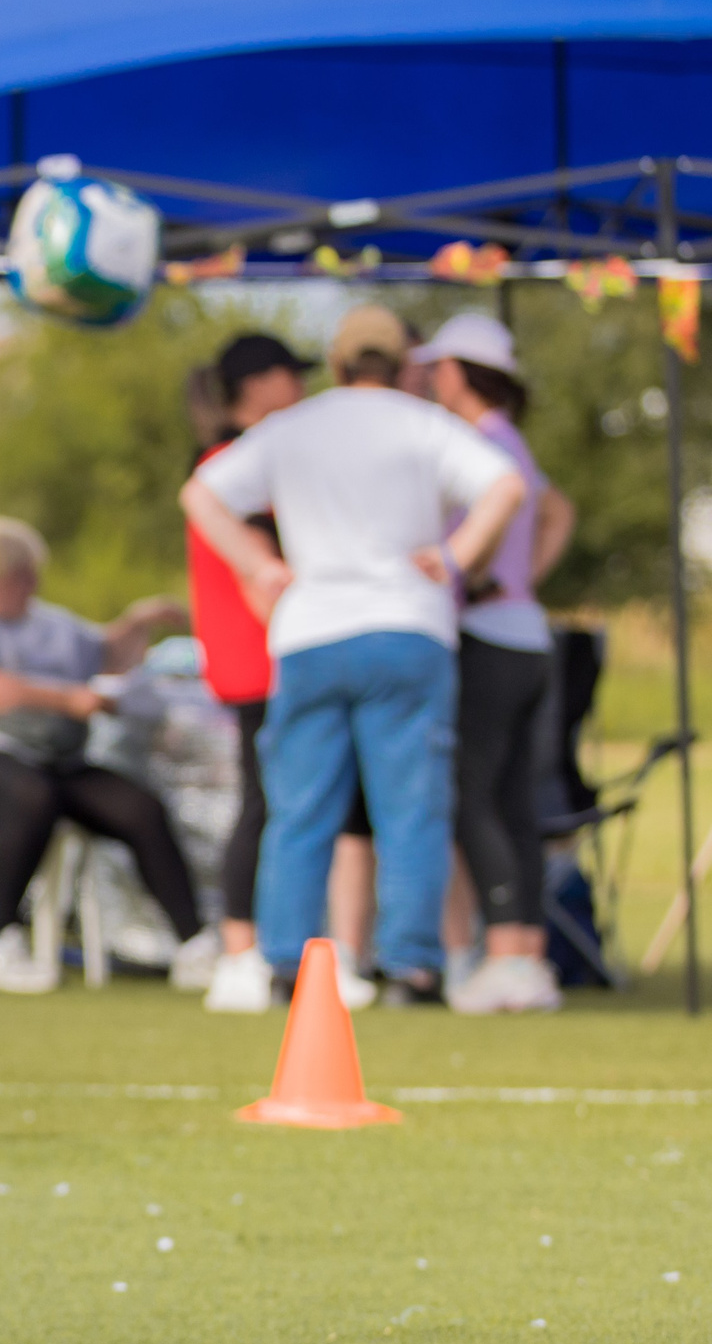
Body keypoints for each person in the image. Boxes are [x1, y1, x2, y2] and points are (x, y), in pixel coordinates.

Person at [182, 304, 525, 1005]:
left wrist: (257, 562)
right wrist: (456, 557)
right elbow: (506, 486)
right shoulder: (425, 422)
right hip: (407, 626)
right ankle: (411, 967)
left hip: (311, 632)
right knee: (411, 809)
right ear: (404, 366)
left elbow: (201, 492)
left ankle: (285, 965)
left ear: (336, 366)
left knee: (299, 808)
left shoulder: (292, 427)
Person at [0, 516, 205, 993]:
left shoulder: (51, 623)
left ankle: (195, 946)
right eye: (20, 572)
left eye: (32, 571)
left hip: (51, 759)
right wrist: (66, 700)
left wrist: (139, 621)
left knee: (138, 806)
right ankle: (2, 940)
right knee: (30, 794)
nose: (32, 582)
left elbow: (108, 654)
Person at [186, 335, 380, 1016]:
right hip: (267, 660)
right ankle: (241, 953)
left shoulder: (244, 460)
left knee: (291, 804)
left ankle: (313, 952)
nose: (301, 390)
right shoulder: (237, 466)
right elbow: (260, 572)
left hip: (280, 656)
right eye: (289, 377)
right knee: (269, 804)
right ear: (258, 384)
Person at [409, 313, 579, 1013]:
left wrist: (469, 571)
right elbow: (558, 513)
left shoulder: (479, 448)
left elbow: (512, 527)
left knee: (470, 794)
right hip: (527, 636)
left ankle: (506, 949)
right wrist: (526, 577)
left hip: (488, 639)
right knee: (509, 799)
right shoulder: (512, 444)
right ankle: (523, 955)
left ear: (458, 372)